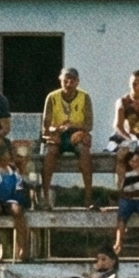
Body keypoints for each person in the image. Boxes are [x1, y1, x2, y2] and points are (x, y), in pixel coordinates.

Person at [39, 67, 93, 206]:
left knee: (84, 151)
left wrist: (75, 128)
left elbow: (89, 124)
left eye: (72, 81)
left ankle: (88, 197)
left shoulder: (84, 97)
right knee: (50, 153)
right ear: (60, 80)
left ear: (77, 81)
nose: (69, 84)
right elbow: (45, 126)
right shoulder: (52, 97)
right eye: (65, 81)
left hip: (77, 133)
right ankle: (45, 196)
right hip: (58, 134)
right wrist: (55, 130)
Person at [0, 157, 33, 262]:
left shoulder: (15, 176)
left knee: (17, 211)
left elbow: (19, 192)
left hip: (10, 200)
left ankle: (22, 247)